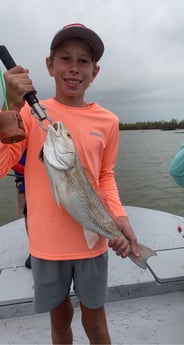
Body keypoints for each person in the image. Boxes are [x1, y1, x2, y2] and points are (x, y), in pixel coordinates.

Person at [0, 23, 139, 344]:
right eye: (65, 59)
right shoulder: (28, 112)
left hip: (93, 244)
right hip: (46, 247)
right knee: (60, 320)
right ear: (50, 65)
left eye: (84, 61)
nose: (74, 69)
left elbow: (106, 176)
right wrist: (7, 106)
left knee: (95, 322)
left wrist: (119, 218)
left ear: (95, 71)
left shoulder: (108, 121)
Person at [11, 150, 32, 269]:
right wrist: (28, 171)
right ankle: (33, 251)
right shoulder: (15, 136)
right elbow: (12, 162)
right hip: (23, 182)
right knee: (28, 216)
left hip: (42, 180)